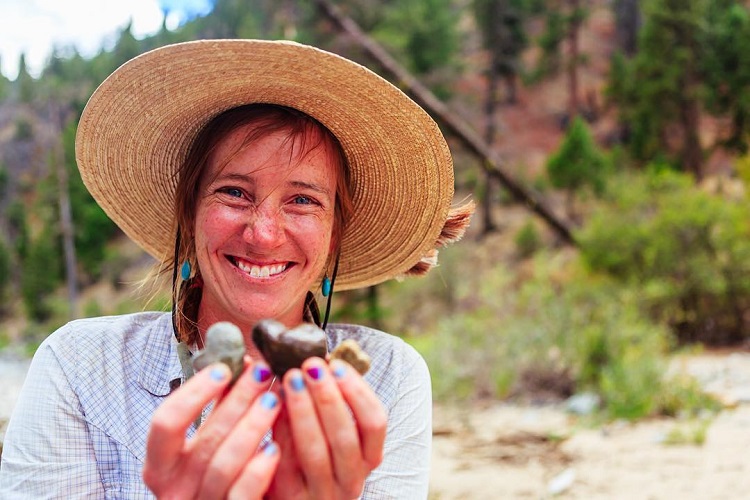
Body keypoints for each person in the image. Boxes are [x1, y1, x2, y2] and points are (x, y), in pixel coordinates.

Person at [0, 39, 474, 498]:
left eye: (303, 200)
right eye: (234, 192)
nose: (264, 234)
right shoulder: (80, 368)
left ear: (333, 239)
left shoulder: (387, 380)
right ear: (189, 213)